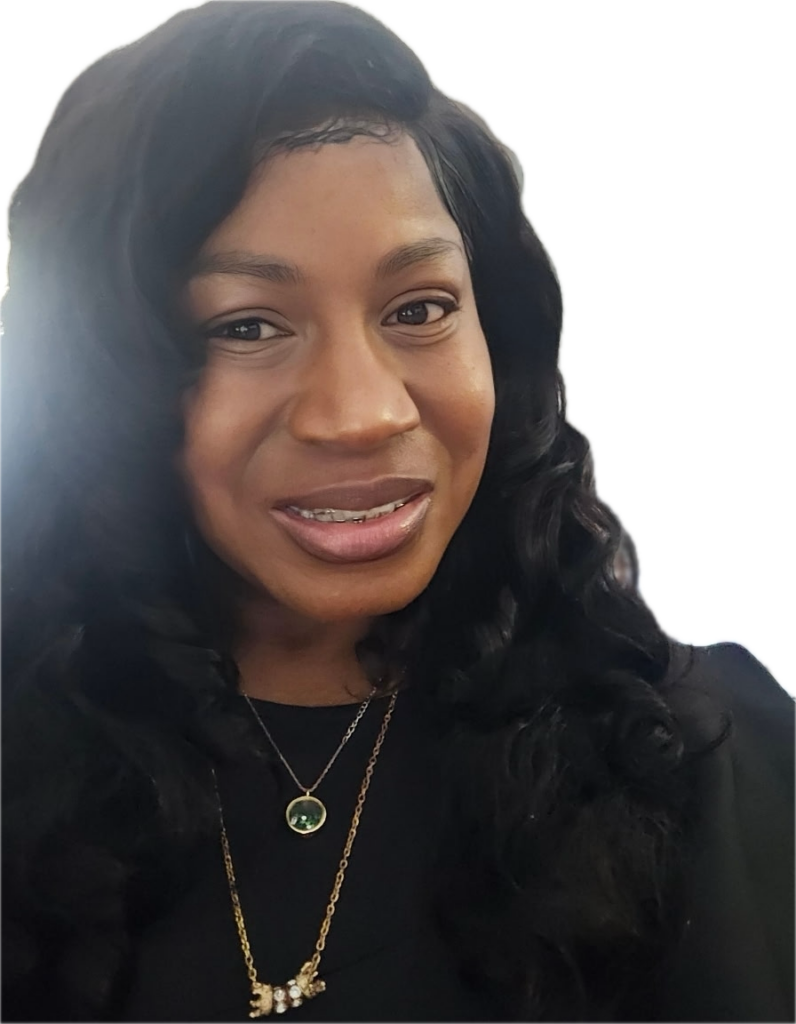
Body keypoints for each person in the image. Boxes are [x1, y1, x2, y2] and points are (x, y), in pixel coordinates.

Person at [1, 2, 793, 1022]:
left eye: (419, 308)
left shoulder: (711, 756)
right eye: (246, 326)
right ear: (95, 376)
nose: (364, 414)